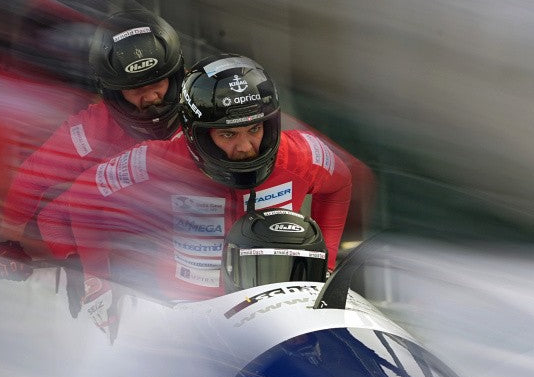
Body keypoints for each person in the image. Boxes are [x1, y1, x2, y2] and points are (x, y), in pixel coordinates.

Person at [36, 54, 352, 328]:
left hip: (280, 311)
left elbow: (340, 183)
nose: (244, 147)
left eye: (254, 129)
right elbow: (78, 200)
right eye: (227, 134)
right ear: (197, 133)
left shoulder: (301, 155)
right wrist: (95, 280)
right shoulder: (154, 161)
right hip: (187, 313)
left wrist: (326, 264)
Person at [0, 8, 185, 284]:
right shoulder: (91, 130)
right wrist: (7, 245)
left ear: (175, 74)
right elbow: (31, 179)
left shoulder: (205, 102)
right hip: (131, 237)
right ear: (114, 92)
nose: (151, 97)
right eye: (135, 89)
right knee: (57, 215)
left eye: (157, 83)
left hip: (193, 224)